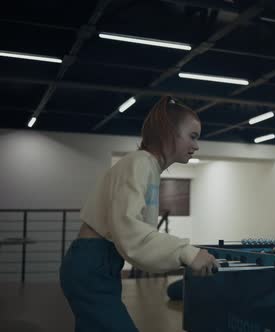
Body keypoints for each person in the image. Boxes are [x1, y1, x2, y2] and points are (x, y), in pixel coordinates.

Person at [60, 96, 218, 332]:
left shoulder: (149, 168)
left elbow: (135, 241)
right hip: (92, 262)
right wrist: (187, 252)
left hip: (103, 262)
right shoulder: (140, 163)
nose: (197, 145)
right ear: (168, 132)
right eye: (192, 136)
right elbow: (130, 229)